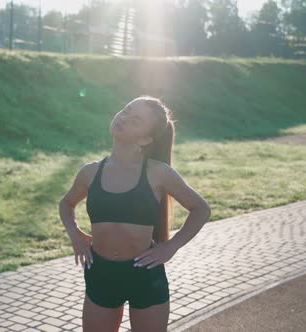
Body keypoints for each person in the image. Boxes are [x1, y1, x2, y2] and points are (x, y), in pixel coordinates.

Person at [58, 95, 211, 332]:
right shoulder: (90, 172)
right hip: (101, 274)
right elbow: (66, 204)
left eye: (136, 120)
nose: (124, 117)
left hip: (144, 276)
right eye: (126, 110)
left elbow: (201, 209)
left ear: (146, 139)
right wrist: (75, 234)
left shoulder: (158, 174)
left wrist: (171, 247)